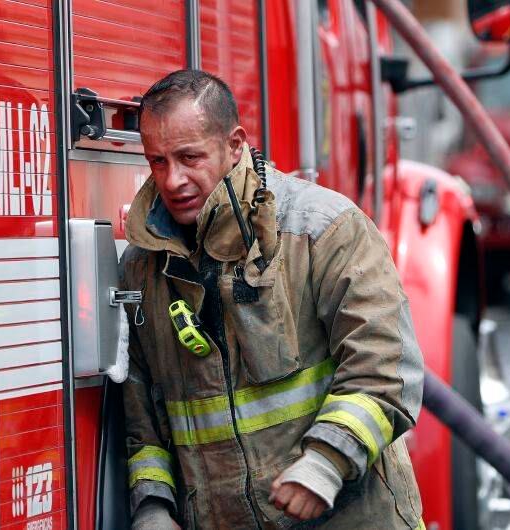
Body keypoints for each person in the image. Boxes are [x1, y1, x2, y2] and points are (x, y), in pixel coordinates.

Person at [121, 69, 425, 529]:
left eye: (189, 157)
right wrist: (152, 506)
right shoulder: (144, 268)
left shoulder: (322, 229)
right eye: (157, 161)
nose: (173, 179)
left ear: (234, 145)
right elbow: (144, 417)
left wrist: (325, 462)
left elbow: (386, 369)